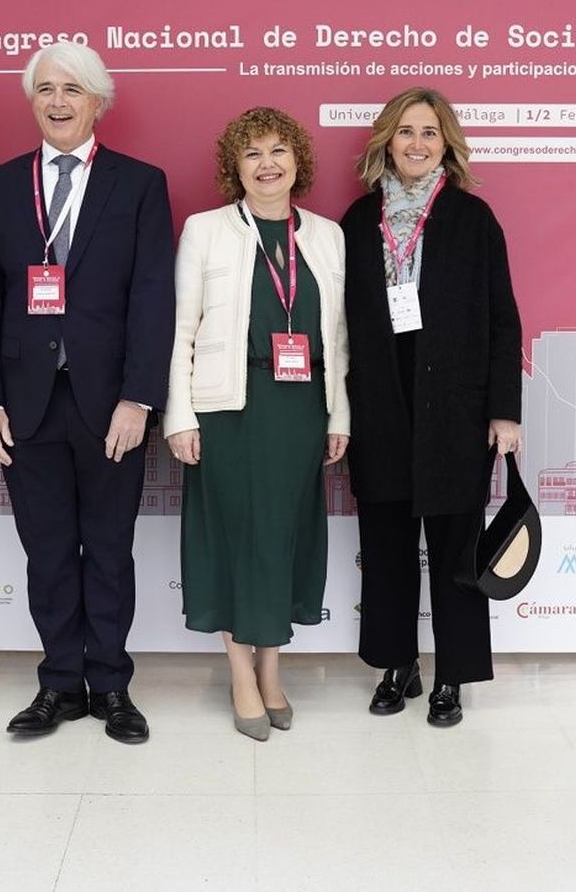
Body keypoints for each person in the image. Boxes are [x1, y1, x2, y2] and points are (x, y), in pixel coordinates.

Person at [0, 42, 175, 744]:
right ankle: (59, 683)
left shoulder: (139, 184)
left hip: (110, 405)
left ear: (98, 102)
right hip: (25, 405)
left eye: (73, 89)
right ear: (33, 101)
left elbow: (152, 297)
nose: (58, 102)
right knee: (48, 552)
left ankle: (111, 685)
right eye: (46, 89)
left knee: (109, 550)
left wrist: (139, 398)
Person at [164, 108, 350, 741]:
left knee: (283, 535)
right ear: (234, 168)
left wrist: (340, 414)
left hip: (302, 409)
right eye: (252, 154)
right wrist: (180, 414)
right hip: (228, 407)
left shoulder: (327, 236)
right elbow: (182, 329)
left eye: (278, 151)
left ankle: (272, 668)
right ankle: (240, 672)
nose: (267, 164)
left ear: (298, 161)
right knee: (234, 536)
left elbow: (340, 338)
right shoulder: (206, 230)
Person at [340, 87, 522, 728]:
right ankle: (398, 665)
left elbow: (503, 319)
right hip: (380, 407)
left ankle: (452, 675)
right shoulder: (356, 222)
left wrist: (504, 411)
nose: (416, 144)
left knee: (455, 552)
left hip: (455, 412)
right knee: (386, 547)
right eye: (405, 131)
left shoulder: (473, 219)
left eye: (429, 133)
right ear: (386, 141)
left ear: (446, 145)